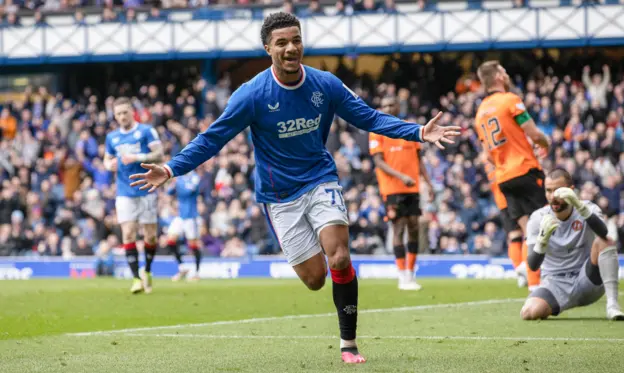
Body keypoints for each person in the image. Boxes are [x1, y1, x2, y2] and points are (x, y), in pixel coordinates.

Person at [129, 12, 460, 364]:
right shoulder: (251, 95)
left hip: (320, 179)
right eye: (282, 42)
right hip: (279, 195)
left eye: (296, 40)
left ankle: (348, 343)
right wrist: (170, 168)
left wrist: (418, 132)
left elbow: (370, 117)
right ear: (268, 48)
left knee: (341, 256)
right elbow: (213, 139)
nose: (291, 48)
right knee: (316, 279)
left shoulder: (325, 84)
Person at [474, 60, 551, 291]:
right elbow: (534, 133)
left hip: (503, 178)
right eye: (504, 71)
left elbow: (487, 156)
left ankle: (533, 286)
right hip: (525, 170)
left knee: (528, 230)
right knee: (542, 226)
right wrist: (545, 143)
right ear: (498, 76)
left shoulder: (479, 114)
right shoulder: (510, 100)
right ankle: (545, 280)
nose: (507, 75)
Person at [520, 168, 624, 321]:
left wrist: (579, 205)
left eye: (558, 191)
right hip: (555, 283)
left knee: (604, 241)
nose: (553, 196)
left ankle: (613, 306)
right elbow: (533, 265)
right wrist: (542, 240)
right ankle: (559, 303)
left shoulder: (589, 208)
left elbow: (604, 233)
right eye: (548, 191)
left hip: (587, 278)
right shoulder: (538, 218)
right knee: (528, 313)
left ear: (571, 190)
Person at [369, 96, 433, 290]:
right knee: (399, 228)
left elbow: (418, 159)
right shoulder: (377, 130)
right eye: (385, 105)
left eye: (391, 105)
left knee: (414, 227)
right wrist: (401, 176)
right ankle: (401, 274)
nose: (388, 108)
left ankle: (411, 273)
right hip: (392, 188)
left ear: (398, 106)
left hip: (412, 187)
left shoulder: (410, 128)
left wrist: (428, 183)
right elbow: (378, 161)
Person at [103, 97, 164, 294]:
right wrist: (108, 164)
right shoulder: (112, 137)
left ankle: (147, 270)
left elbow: (160, 154)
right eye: (118, 114)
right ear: (115, 116)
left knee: (150, 236)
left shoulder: (146, 131)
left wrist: (137, 157)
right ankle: (136, 278)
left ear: (132, 112)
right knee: (128, 232)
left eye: (125, 112)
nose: (122, 117)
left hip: (147, 188)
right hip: (124, 191)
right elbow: (107, 158)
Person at [485, 160, 527, 288]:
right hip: (514, 196)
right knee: (528, 231)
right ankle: (526, 267)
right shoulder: (500, 157)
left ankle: (520, 270)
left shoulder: (488, 163)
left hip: (502, 202)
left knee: (514, 236)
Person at [166, 170, 203, 282]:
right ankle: (182, 267)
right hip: (180, 216)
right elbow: (169, 192)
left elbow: (189, 190)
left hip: (191, 216)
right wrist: (175, 184)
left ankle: (196, 272)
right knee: (170, 241)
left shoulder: (195, 177)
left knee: (193, 245)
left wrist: (177, 183)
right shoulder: (180, 178)